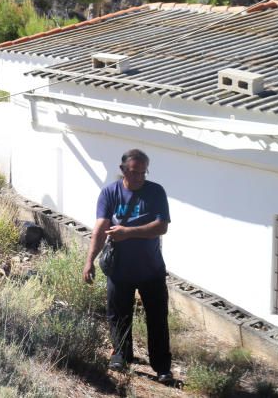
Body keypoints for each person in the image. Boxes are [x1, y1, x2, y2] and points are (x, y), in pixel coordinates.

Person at [83, 148, 173, 384]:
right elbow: (101, 229)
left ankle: (162, 367)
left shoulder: (156, 192)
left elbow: (161, 227)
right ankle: (121, 355)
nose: (139, 177)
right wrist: (89, 260)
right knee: (118, 315)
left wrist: (127, 232)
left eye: (143, 173)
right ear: (123, 170)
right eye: (134, 172)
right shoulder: (110, 193)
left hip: (151, 270)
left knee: (157, 319)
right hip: (119, 269)